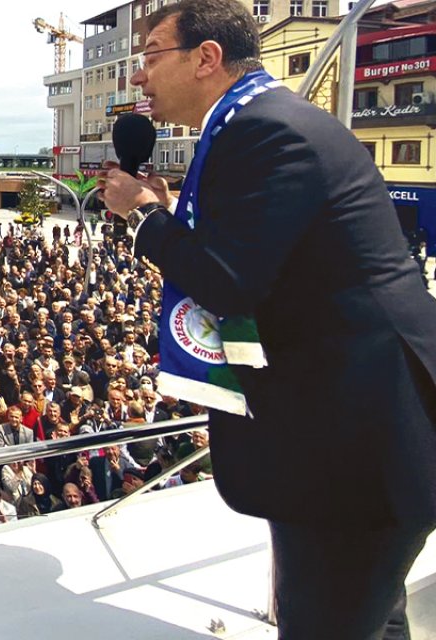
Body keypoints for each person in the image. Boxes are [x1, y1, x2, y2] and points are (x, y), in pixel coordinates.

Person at [99, 2, 436, 637]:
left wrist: (144, 214)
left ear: (206, 58)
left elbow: (230, 280)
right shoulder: (261, 121)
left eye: (149, 57)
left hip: (356, 442)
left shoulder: (264, 130)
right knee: (370, 619)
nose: (138, 78)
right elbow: (273, 256)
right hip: (356, 429)